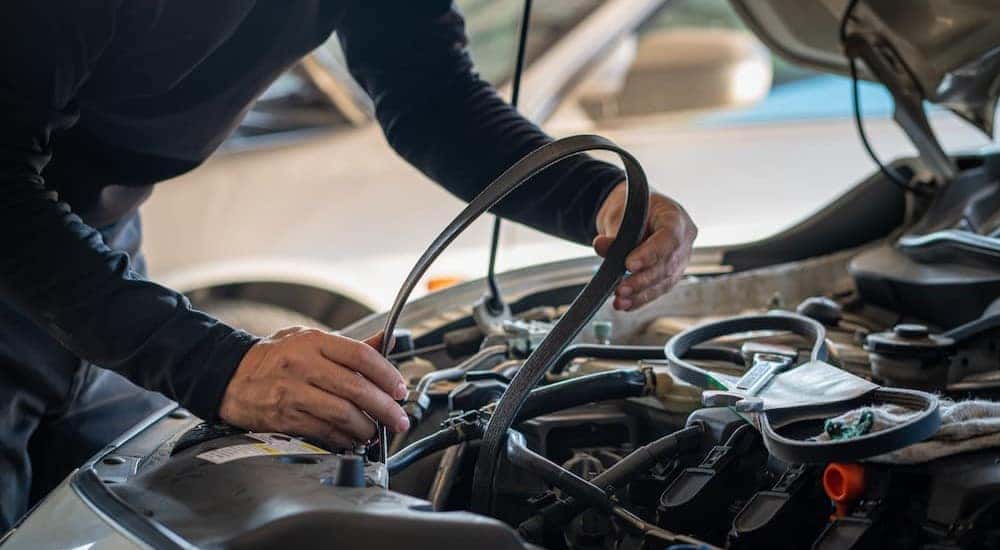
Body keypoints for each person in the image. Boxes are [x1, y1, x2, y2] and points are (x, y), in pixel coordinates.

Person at [0, 1, 697, 530]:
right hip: (28, 247)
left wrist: (599, 197)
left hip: (91, 253)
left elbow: (427, 93)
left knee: (112, 521)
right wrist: (218, 368)